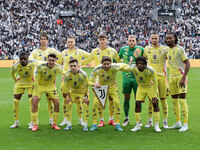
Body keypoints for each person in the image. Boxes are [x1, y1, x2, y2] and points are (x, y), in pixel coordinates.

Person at [82, 33, 122, 127]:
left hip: (110, 78)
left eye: (103, 39)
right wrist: (78, 63)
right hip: (98, 79)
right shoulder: (95, 51)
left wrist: (125, 64)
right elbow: (88, 60)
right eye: (100, 39)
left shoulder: (112, 51)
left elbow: (118, 60)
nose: (102, 41)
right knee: (99, 100)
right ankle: (101, 120)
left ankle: (111, 119)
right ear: (98, 40)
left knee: (112, 99)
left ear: (106, 40)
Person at [29, 32, 61, 126]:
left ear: (47, 40)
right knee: (35, 101)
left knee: (51, 100)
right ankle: (34, 121)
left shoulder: (52, 50)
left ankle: (51, 119)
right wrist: (42, 63)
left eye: (45, 39)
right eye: (42, 39)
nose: (43, 41)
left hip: (50, 79)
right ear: (40, 40)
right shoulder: (35, 51)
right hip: (38, 79)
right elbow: (31, 60)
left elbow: (61, 57)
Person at [123, 56, 161, 132]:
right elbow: (125, 69)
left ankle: (156, 125)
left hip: (150, 87)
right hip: (141, 87)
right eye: (138, 63)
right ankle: (137, 125)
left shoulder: (150, 70)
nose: (139, 65)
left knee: (155, 103)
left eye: (141, 63)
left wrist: (154, 94)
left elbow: (155, 82)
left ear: (145, 64)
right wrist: (114, 65)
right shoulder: (133, 68)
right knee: (137, 103)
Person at [89, 56, 126, 131]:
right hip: (101, 87)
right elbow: (89, 80)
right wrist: (94, 84)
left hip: (112, 87)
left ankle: (118, 124)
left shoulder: (115, 67)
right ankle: (94, 124)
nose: (106, 66)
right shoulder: (97, 69)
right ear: (102, 64)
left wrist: (129, 67)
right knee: (95, 103)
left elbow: (125, 65)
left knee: (117, 102)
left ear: (111, 63)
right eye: (104, 64)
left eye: (108, 64)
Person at [59, 36, 90, 127]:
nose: (70, 43)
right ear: (66, 43)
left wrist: (82, 64)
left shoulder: (79, 51)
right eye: (68, 42)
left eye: (72, 42)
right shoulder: (63, 53)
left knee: (79, 100)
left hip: (78, 78)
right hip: (66, 78)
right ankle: (65, 119)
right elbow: (59, 62)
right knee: (66, 100)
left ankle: (80, 120)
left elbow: (90, 56)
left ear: (75, 42)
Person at [31, 53, 65, 131]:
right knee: (34, 102)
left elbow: (65, 74)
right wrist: (35, 93)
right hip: (40, 86)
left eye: (53, 60)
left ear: (56, 60)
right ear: (47, 60)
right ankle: (35, 124)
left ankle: (54, 123)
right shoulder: (41, 67)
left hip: (51, 86)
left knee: (57, 102)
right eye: (50, 60)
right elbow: (36, 80)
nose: (51, 62)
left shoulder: (58, 67)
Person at [165, 33, 190, 132]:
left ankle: (185, 124)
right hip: (172, 78)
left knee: (182, 100)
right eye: (167, 38)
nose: (168, 40)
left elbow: (188, 63)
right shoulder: (166, 50)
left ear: (175, 38)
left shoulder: (180, 49)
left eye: (170, 38)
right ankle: (178, 122)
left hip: (180, 77)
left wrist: (183, 77)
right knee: (174, 101)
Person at [144, 33, 169, 129]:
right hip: (151, 78)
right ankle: (150, 121)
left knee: (163, 99)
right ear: (150, 39)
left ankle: (165, 121)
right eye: (152, 38)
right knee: (151, 100)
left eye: (156, 38)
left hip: (162, 77)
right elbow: (143, 59)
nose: (154, 40)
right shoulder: (147, 49)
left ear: (159, 39)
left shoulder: (164, 49)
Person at [119, 35, 144, 126]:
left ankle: (139, 119)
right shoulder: (123, 50)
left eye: (133, 40)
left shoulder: (140, 49)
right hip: (126, 78)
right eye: (130, 40)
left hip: (137, 78)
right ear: (127, 41)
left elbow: (145, 60)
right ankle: (126, 118)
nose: (131, 42)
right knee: (126, 98)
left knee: (138, 99)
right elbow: (117, 59)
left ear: (136, 41)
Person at [10, 52, 39, 129]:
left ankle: (33, 121)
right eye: (21, 59)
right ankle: (16, 122)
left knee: (31, 101)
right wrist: (15, 81)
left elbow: (42, 65)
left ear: (28, 59)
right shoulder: (15, 66)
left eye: (24, 59)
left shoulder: (33, 63)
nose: (23, 60)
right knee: (15, 101)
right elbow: (12, 73)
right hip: (20, 82)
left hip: (31, 83)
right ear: (19, 59)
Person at [63, 59, 89, 131]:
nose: (73, 67)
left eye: (74, 66)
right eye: (71, 66)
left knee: (85, 105)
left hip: (83, 92)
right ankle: (69, 124)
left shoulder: (83, 74)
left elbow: (86, 86)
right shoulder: (67, 74)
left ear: (78, 66)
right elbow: (66, 86)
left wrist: (85, 97)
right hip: (73, 92)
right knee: (68, 104)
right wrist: (69, 97)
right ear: (69, 66)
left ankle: (85, 125)